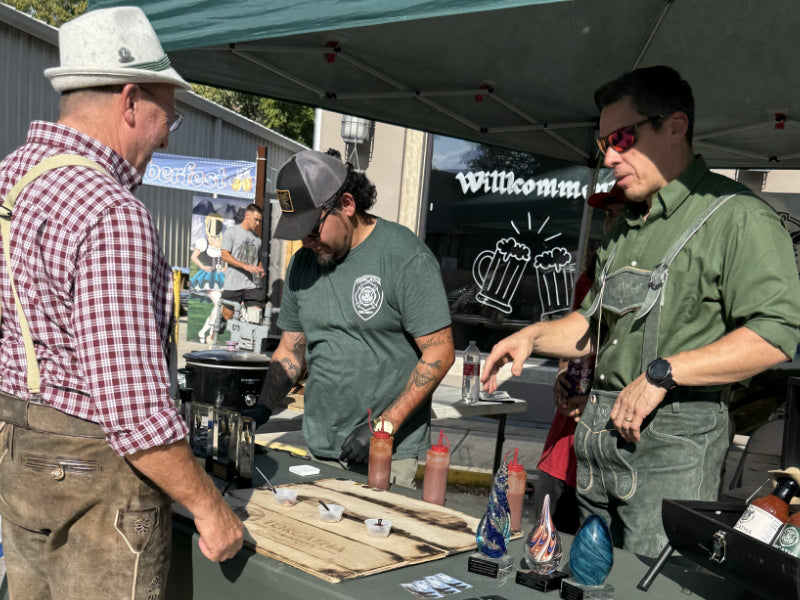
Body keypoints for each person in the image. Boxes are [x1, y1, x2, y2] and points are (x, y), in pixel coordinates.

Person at [483, 65, 800, 557]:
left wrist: (663, 373)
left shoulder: (738, 216)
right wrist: (533, 337)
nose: (609, 156)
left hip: (671, 454)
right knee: (586, 580)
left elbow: (775, 336)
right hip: (598, 445)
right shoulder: (629, 224)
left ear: (675, 126)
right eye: (603, 142)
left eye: (622, 137)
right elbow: (590, 321)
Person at [0, 7, 243, 599]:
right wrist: (211, 509)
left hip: (17, 454)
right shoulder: (111, 213)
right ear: (130, 101)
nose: (165, 134)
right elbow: (134, 413)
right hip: (93, 477)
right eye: (168, 116)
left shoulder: (9, 179)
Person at [254, 149, 454, 488]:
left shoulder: (403, 256)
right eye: (299, 232)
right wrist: (261, 408)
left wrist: (384, 427)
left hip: (384, 454)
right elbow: (291, 350)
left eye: (313, 228)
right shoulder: (303, 265)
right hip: (318, 448)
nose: (306, 241)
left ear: (347, 204)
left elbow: (440, 352)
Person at [533, 187, 625, 535]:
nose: (609, 223)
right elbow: (574, 345)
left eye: (618, 214)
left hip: (606, 457)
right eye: (607, 215)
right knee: (543, 546)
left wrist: (597, 403)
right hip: (562, 448)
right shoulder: (590, 279)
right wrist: (560, 376)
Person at [219, 203, 266, 325]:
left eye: (259, 221)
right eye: (256, 220)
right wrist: (245, 266)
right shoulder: (231, 232)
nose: (258, 224)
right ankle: (215, 334)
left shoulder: (258, 239)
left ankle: (247, 343)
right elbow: (225, 255)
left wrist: (261, 269)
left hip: (252, 285)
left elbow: (258, 259)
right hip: (233, 283)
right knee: (227, 317)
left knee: (254, 318)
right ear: (247, 215)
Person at [191, 212, 226, 344]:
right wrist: (203, 266)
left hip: (221, 276)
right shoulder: (204, 241)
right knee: (218, 304)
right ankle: (211, 333)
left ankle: (204, 332)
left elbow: (225, 257)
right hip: (209, 278)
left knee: (219, 306)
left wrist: (225, 266)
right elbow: (193, 257)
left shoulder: (222, 241)